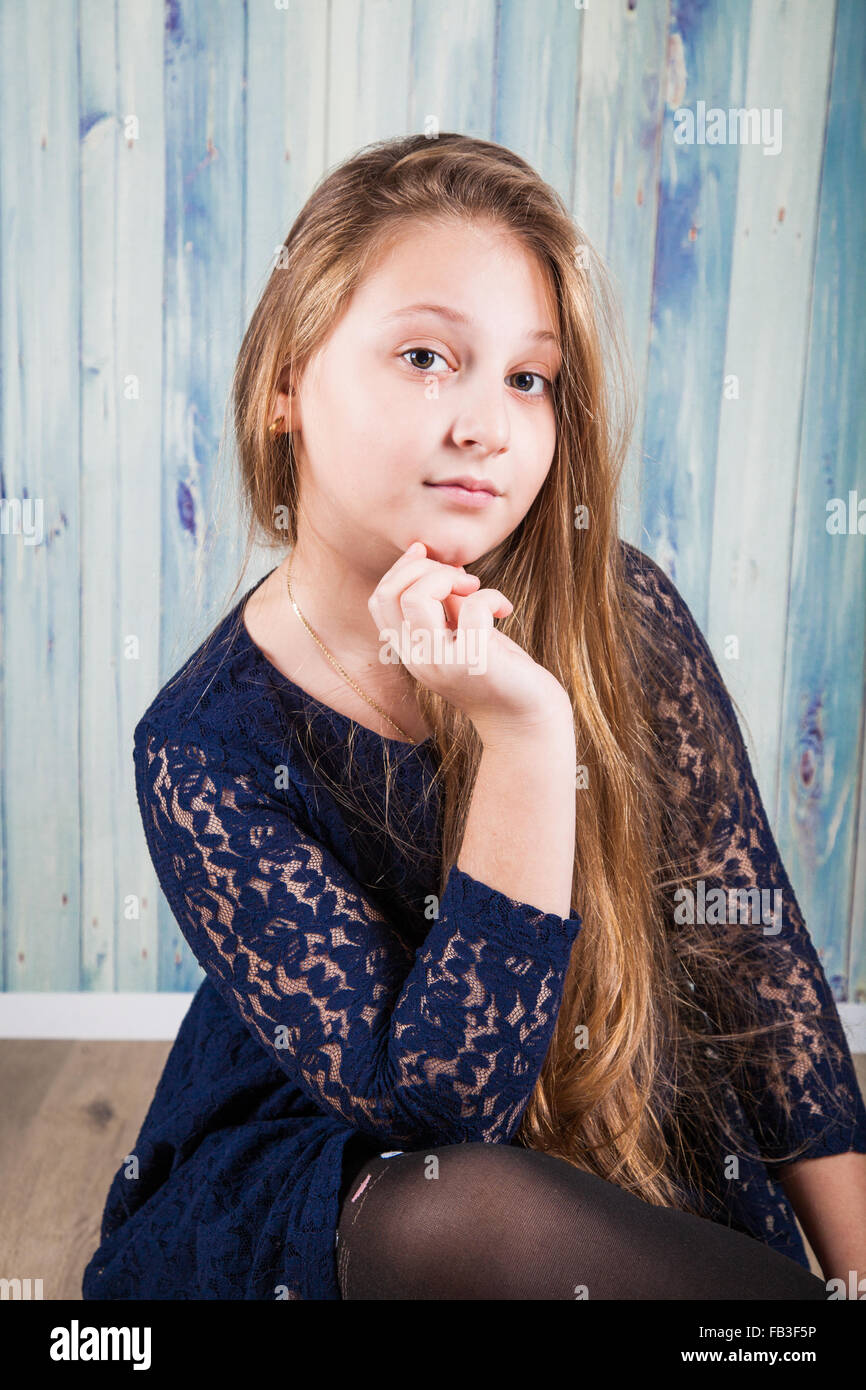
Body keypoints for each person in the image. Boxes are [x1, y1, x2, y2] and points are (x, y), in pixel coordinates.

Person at [82, 133, 865, 1301]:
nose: (486, 427)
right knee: (465, 1213)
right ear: (288, 380)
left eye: (525, 377)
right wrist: (525, 738)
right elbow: (451, 1119)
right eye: (424, 356)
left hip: (601, 1093)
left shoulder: (621, 608)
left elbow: (754, 966)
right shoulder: (203, 744)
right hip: (363, 1156)